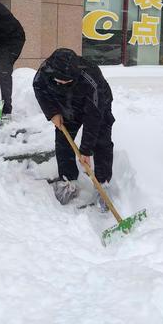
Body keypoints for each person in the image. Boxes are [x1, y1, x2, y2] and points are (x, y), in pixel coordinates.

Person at [33, 48, 115, 211]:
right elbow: (39, 89)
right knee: (63, 140)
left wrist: (86, 150)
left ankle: (102, 185)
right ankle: (68, 180)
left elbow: (94, 117)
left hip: (98, 106)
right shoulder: (45, 72)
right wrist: (52, 112)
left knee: (101, 142)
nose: (63, 83)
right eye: (59, 80)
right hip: (67, 106)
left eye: (67, 81)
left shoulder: (90, 76)